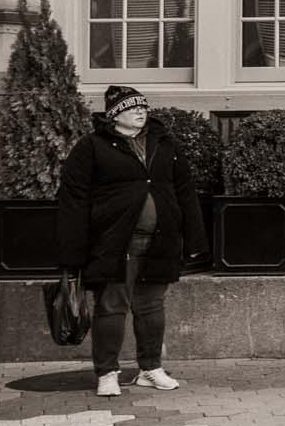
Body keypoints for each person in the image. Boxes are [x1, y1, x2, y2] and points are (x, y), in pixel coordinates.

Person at [59, 85, 207, 398]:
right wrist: (73, 252)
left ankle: (151, 368)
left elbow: (185, 190)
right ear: (114, 115)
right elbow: (74, 200)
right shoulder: (91, 146)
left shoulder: (164, 142)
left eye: (142, 106)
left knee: (152, 306)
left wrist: (195, 238)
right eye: (131, 107)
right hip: (114, 242)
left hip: (160, 241)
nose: (140, 111)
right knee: (111, 306)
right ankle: (107, 372)